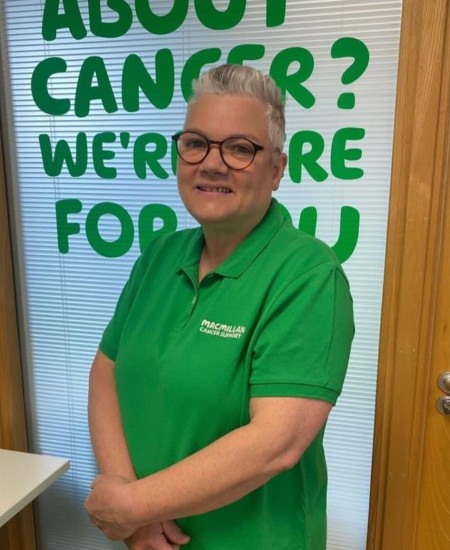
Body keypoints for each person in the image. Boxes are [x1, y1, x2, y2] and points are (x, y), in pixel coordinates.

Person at [84, 63, 354, 550]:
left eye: (239, 148)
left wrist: (130, 506)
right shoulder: (159, 256)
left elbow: (275, 444)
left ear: (277, 169)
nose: (211, 163)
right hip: (149, 537)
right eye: (195, 143)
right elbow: (107, 369)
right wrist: (129, 502)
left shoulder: (310, 277)